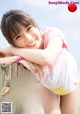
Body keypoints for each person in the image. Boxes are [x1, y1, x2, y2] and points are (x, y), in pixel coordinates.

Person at [0, 10, 79, 114]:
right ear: (13, 43)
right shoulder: (20, 50)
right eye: (18, 36)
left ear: (35, 25)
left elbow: (47, 58)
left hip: (70, 83)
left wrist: (13, 51)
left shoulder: (53, 35)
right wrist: (17, 58)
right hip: (47, 86)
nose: (28, 38)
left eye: (29, 28)